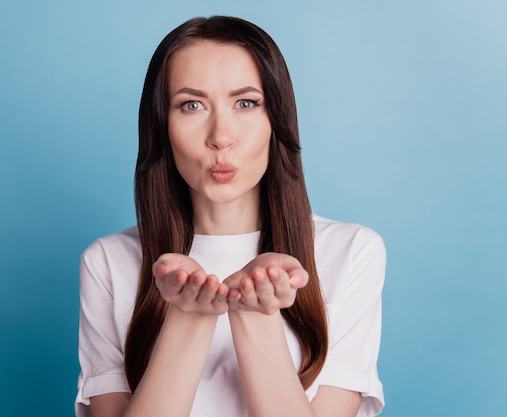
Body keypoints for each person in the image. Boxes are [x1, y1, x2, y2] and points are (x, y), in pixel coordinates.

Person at [75, 15, 386, 417]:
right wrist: (188, 318)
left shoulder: (350, 252)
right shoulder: (108, 262)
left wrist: (256, 314)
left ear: (276, 119)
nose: (221, 136)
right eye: (191, 105)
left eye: (245, 103)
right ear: (161, 126)